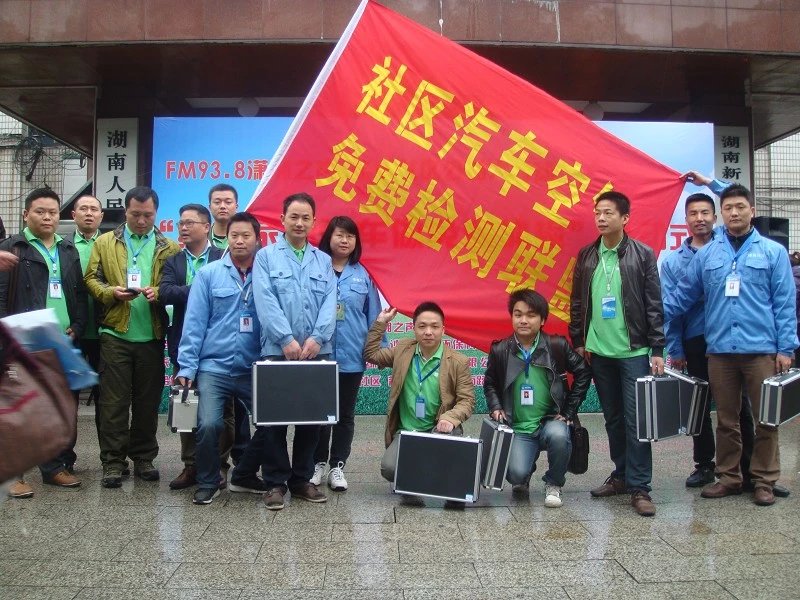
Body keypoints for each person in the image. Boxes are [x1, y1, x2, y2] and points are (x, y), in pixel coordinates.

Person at [664, 183, 798, 506]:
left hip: (761, 351)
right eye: (729, 208)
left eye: (740, 207)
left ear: (751, 210)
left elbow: (784, 303)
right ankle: (729, 477)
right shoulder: (708, 254)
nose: (734, 213)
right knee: (726, 418)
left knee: (765, 418)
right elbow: (683, 295)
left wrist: (786, 348)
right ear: (721, 215)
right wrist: (654, 319)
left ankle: (764, 480)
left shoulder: (772, 252)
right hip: (720, 351)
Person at [569, 190, 665, 517]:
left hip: (634, 350)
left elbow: (654, 304)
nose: (601, 218)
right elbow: (578, 303)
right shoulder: (587, 255)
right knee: (612, 418)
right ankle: (621, 475)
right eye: (597, 212)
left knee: (636, 420)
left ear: (624, 218)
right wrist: (579, 341)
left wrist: (657, 348)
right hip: (599, 352)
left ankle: (640, 487)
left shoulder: (642, 255)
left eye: (608, 213)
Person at [85, 186, 180, 488]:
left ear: (156, 214)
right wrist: (110, 293)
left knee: (147, 402)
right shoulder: (105, 242)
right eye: (136, 214)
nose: (141, 220)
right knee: (113, 403)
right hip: (115, 332)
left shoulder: (170, 247)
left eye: (148, 215)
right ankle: (113, 462)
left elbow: (174, 286)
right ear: (125, 211)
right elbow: (91, 278)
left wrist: (159, 293)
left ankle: (143, 458)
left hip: (151, 334)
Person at [0, 187, 88, 497]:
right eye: (40, 211)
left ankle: (53, 468)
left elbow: (76, 292)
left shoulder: (66, 249)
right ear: (26, 214)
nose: (48, 216)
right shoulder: (13, 248)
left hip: (61, 342)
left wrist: (77, 324)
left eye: (52, 211)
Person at [177, 212, 270, 505]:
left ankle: (243, 474)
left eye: (246, 236)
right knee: (208, 425)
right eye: (234, 236)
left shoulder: (267, 275)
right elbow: (194, 323)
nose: (240, 241)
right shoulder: (209, 274)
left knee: (273, 423)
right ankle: (208, 480)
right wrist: (187, 366)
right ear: (226, 238)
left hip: (254, 366)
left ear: (258, 239)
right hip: (214, 366)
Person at [253, 192, 337, 510]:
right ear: (283, 219)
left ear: (314, 222)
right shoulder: (266, 257)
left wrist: (317, 338)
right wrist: (286, 338)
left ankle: (301, 480)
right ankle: (275, 482)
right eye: (294, 217)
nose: (299, 223)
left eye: (306, 218)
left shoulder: (324, 261)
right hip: (277, 350)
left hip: (317, 351)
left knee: (310, 419)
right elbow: (265, 299)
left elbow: (330, 303)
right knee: (273, 421)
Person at [484, 289, 591, 508]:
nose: (523, 320)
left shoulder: (556, 346)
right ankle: (526, 468)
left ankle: (554, 483)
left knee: (559, 436)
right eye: (518, 314)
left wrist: (569, 411)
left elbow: (583, 372)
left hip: (550, 421)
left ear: (542, 320)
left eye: (531, 315)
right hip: (519, 426)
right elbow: (490, 383)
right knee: (515, 476)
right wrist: (495, 406)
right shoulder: (500, 349)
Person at [364, 302, 475, 508]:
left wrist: (450, 418)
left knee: (446, 451)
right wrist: (380, 323)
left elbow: (467, 400)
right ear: (413, 328)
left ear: (443, 329)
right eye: (422, 326)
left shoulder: (458, 361)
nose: (428, 332)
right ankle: (413, 482)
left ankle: (448, 483)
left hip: (438, 429)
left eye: (434, 326)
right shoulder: (403, 350)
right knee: (389, 468)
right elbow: (371, 354)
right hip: (407, 432)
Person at [159, 203, 230, 491]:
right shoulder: (174, 261)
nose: (184, 228)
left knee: (223, 414)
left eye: (190, 223)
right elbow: (165, 293)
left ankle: (220, 464)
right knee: (186, 406)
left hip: (219, 348)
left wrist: (187, 291)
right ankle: (190, 465)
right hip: (182, 345)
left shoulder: (221, 257)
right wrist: (201, 287)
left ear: (206, 226)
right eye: (181, 223)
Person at [311, 216, 382, 492]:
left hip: (352, 356)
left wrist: (378, 350)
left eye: (350, 236)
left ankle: (337, 466)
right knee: (319, 413)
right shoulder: (317, 269)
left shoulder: (363, 274)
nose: (344, 240)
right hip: (319, 355)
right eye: (340, 235)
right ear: (329, 237)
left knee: (345, 415)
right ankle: (316, 463)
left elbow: (373, 316)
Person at [207, 183, 252, 464]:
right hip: (217, 350)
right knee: (214, 416)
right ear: (210, 206)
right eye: (217, 201)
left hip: (247, 352)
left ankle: (244, 462)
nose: (222, 206)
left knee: (246, 412)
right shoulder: (200, 242)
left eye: (228, 201)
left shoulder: (257, 258)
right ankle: (213, 468)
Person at [66, 195, 104, 409]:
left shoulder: (111, 245)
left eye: (93, 209)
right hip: (72, 332)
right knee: (68, 395)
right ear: (73, 215)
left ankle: (107, 444)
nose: (89, 213)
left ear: (101, 215)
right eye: (83, 209)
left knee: (105, 397)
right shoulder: (63, 246)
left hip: (103, 333)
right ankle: (67, 442)